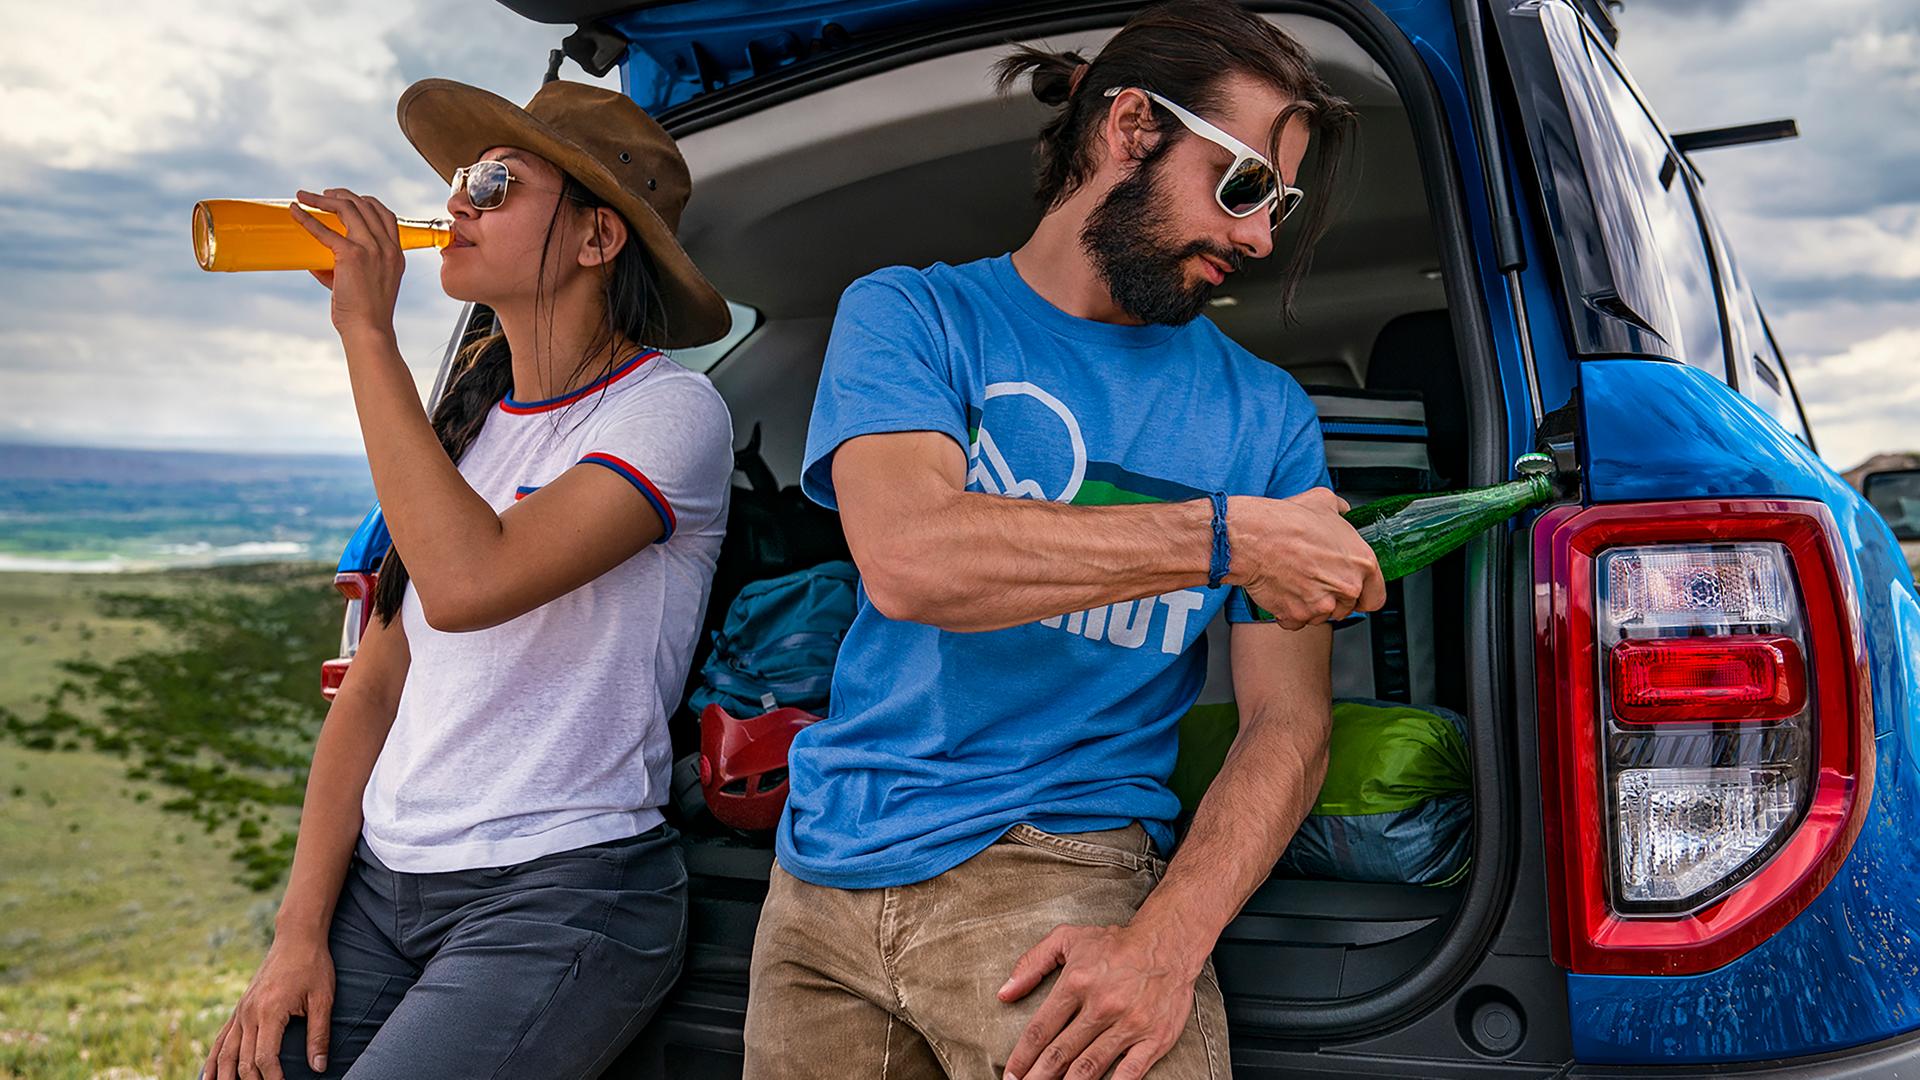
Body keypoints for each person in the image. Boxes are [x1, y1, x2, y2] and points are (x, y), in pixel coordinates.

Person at [742, 3, 1382, 1078]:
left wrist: (1166, 944)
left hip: (1066, 877)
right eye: (1242, 189)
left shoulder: (1268, 418)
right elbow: (912, 559)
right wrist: (1226, 539)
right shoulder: (911, 316)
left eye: (1279, 205)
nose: (1259, 237)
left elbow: (1288, 725)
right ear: (1130, 126)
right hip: (816, 884)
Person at [200, 77, 735, 1080]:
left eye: (495, 183)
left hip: (565, 895)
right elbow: (377, 688)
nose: (456, 205)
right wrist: (297, 934)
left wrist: (366, 331)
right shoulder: (471, 429)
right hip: (384, 887)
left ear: (596, 241)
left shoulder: (670, 415)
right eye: (459, 180)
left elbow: (466, 582)